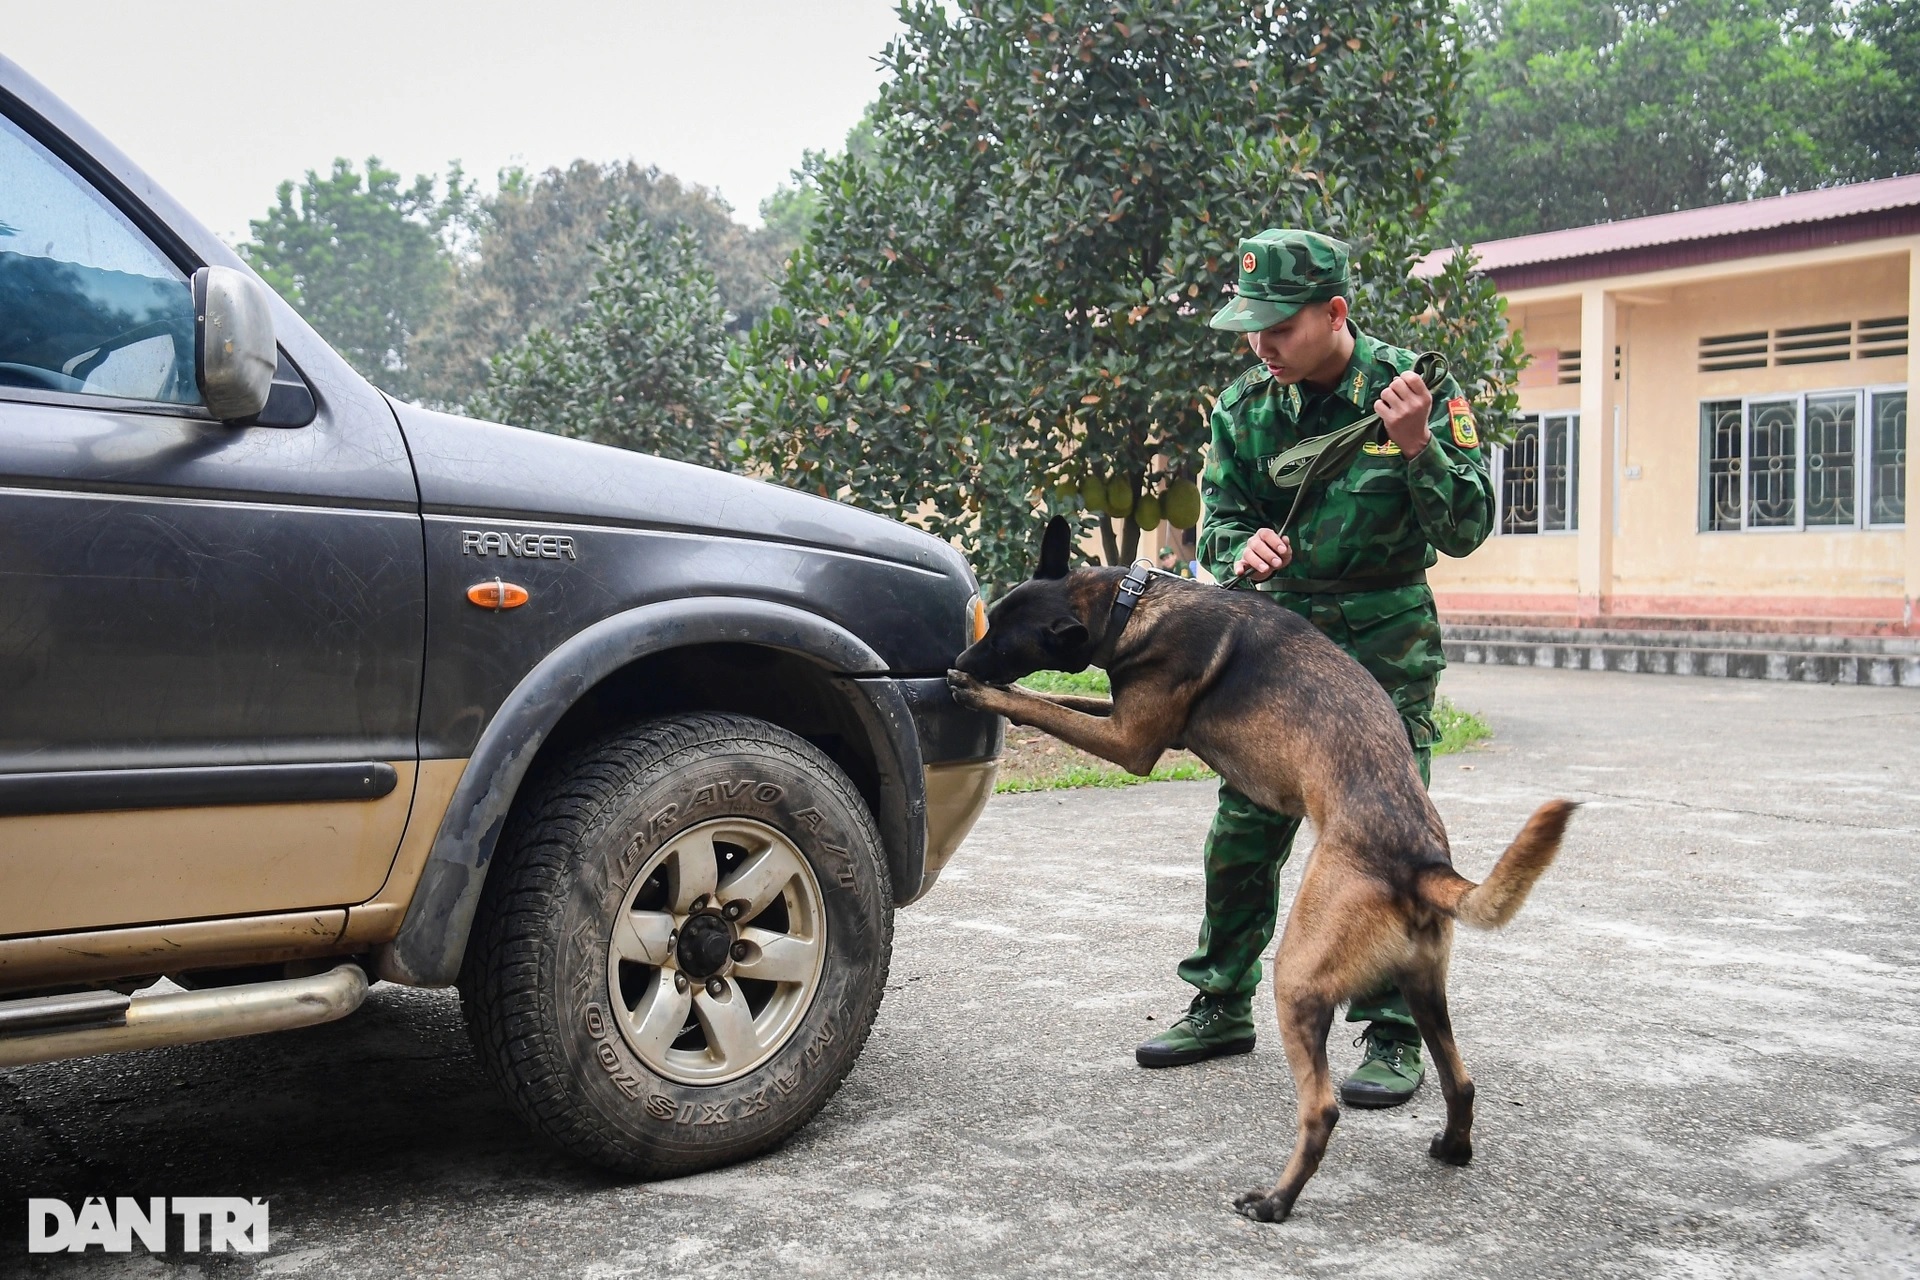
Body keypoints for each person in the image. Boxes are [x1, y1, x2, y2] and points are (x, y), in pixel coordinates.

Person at [1134, 229, 1494, 1112]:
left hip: (1384, 641)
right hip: (1281, 646)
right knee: (1243, 827)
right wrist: (1236, 545)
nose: (1261, 346)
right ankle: (1220, 1001)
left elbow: (1468, 526)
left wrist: (1418, 449)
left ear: (1335, 312)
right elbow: (1218, 520)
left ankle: (1395, 1031)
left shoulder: (1417, 388)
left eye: (1279, 328)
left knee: (1384, 842)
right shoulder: (1247, 407)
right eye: (1250, 329)